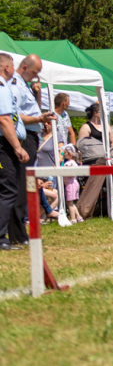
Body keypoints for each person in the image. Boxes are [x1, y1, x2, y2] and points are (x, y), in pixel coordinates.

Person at [10, 54, 54, 244]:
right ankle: (18, 235)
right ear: (25, 67)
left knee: (25, 187)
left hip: (31, 137)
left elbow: (32, 112)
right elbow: (15, 115)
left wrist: (37, 94)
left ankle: (19, 232)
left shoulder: (25, 86)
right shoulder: (15, 85)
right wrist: (38, 120)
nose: (36, 76)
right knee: (19, 187)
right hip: (24, 138)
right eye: (35, 72)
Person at [0, 53, 29, 250]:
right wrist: (17, 147)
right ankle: (1, 238)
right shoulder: (2, 88)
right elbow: (4, 119)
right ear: (8, 68)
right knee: (9, 188)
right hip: (4, 145)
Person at [62, 144, 84, 224]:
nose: (63, 154)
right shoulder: (73, 162)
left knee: (70, 203)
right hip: (73, 184)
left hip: (70, 184)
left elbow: (72, 173)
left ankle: (73, 219)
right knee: (71, 202)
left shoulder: (69, 163)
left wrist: (64, 170)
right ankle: (78, 217)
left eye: (64, 153)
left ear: (70, 154)